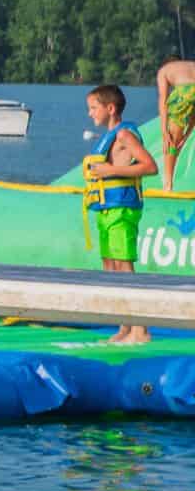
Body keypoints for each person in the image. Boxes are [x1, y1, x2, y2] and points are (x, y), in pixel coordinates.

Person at [83, 83, 158, 346]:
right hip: (106, 208)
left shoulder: (125, 135)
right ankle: (125, 326)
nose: (90, 114)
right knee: (110, 267)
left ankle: (141, 328)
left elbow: (150, 166)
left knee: (124, 266)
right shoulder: (109, 136)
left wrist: (110, 172)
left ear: (110, 108)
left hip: (123, 208)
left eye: (94, 108)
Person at [155, 57, 195, 191]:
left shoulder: (164, 70)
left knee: (170, 142)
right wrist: (186, 137)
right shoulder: (189, 65)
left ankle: (168, 185)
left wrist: (164, 132)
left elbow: (163, 99)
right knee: (178, 140)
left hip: (186, 90)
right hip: (191, 91)